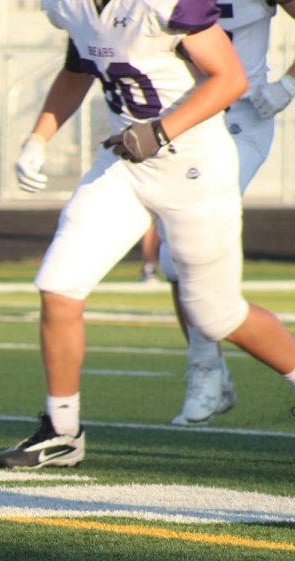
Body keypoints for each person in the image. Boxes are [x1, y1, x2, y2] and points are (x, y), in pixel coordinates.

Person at [0, 0, 295, 469]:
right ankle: (62, 432)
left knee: (217, 316)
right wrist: (38, 138)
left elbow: (230, 78)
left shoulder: (163, 3)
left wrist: (160, 131)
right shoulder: (68, 5)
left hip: (195, 164)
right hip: (126, 163)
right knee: (58, 284)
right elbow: (78, 67)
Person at [157, 0, 295, 426]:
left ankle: (206, 371)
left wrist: (288, 84)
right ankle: (208, 370)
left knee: (187, 247)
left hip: (241, 119)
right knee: (172, 256)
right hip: (182, 120)